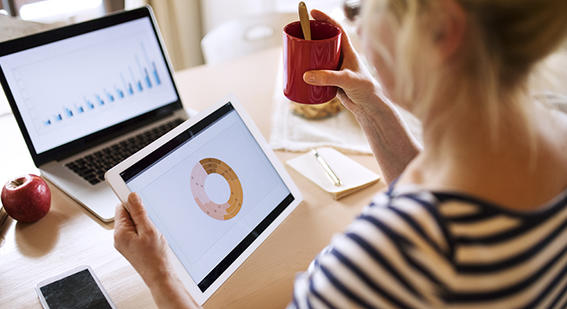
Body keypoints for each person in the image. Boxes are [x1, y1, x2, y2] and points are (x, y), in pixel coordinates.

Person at [114, 0, 567, 307]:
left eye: (358, 8)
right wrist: (375, 112)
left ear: (442, 29)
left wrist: (161, 277)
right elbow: (450, 198)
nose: (356, 29)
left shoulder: (379, 261)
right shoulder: (552, 132)